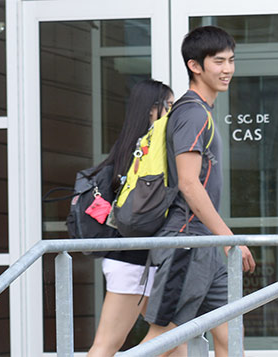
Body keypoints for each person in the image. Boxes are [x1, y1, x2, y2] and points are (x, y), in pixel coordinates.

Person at [140, 26, 256, 357]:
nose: (228, 69)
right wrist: (230, 238)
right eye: (218, 61)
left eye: (231, 60)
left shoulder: (201, 111)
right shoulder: (192, 113)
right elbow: (189, 183)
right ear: (195, 66)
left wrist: (219, 240)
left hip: (206, 244)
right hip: (188, 241)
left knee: (230, 335)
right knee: (162, 339)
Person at [86, 79, 173, 357]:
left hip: (138, 260)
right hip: (132, 262)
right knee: (107, 345)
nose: (172, 113)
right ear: (152, 110)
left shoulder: (127, 149)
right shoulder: (146, 151)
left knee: (175, 340)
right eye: (169, 106)